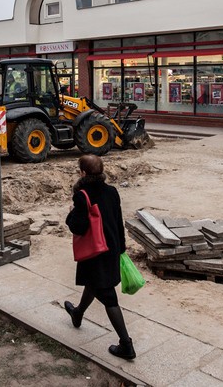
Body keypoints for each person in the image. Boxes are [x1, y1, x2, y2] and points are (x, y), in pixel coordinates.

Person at [64, 154, 135, 360]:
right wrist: (121, 248)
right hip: (111, 248)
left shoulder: (82, 195)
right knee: (93, 283)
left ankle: (126, 345)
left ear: (83, 173)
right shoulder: (112, 191)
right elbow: (118, 220)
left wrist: (70, 214)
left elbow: (78, 226)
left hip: (95, 252)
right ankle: (77, 313)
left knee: (108, 296)